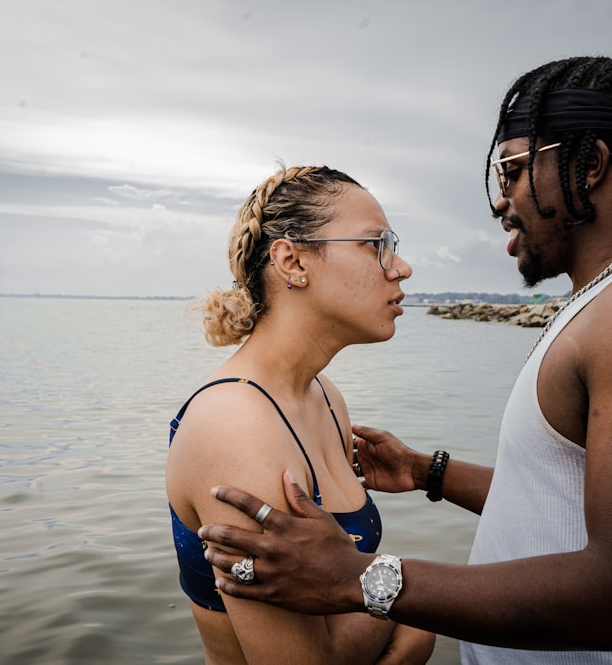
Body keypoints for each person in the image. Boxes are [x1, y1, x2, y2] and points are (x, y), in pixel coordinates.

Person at [197, 56, 612, 664]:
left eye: (511, 170)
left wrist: (361, 578)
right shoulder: (605, 302)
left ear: (589, 165)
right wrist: (427, 472)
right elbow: (563, 499)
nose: (499, 201)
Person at [165, 164, 435, 664]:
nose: (401, 267)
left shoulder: (324, 397)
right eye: (375, 244)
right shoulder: (236, 426)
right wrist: (411, 619)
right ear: (292, 261)